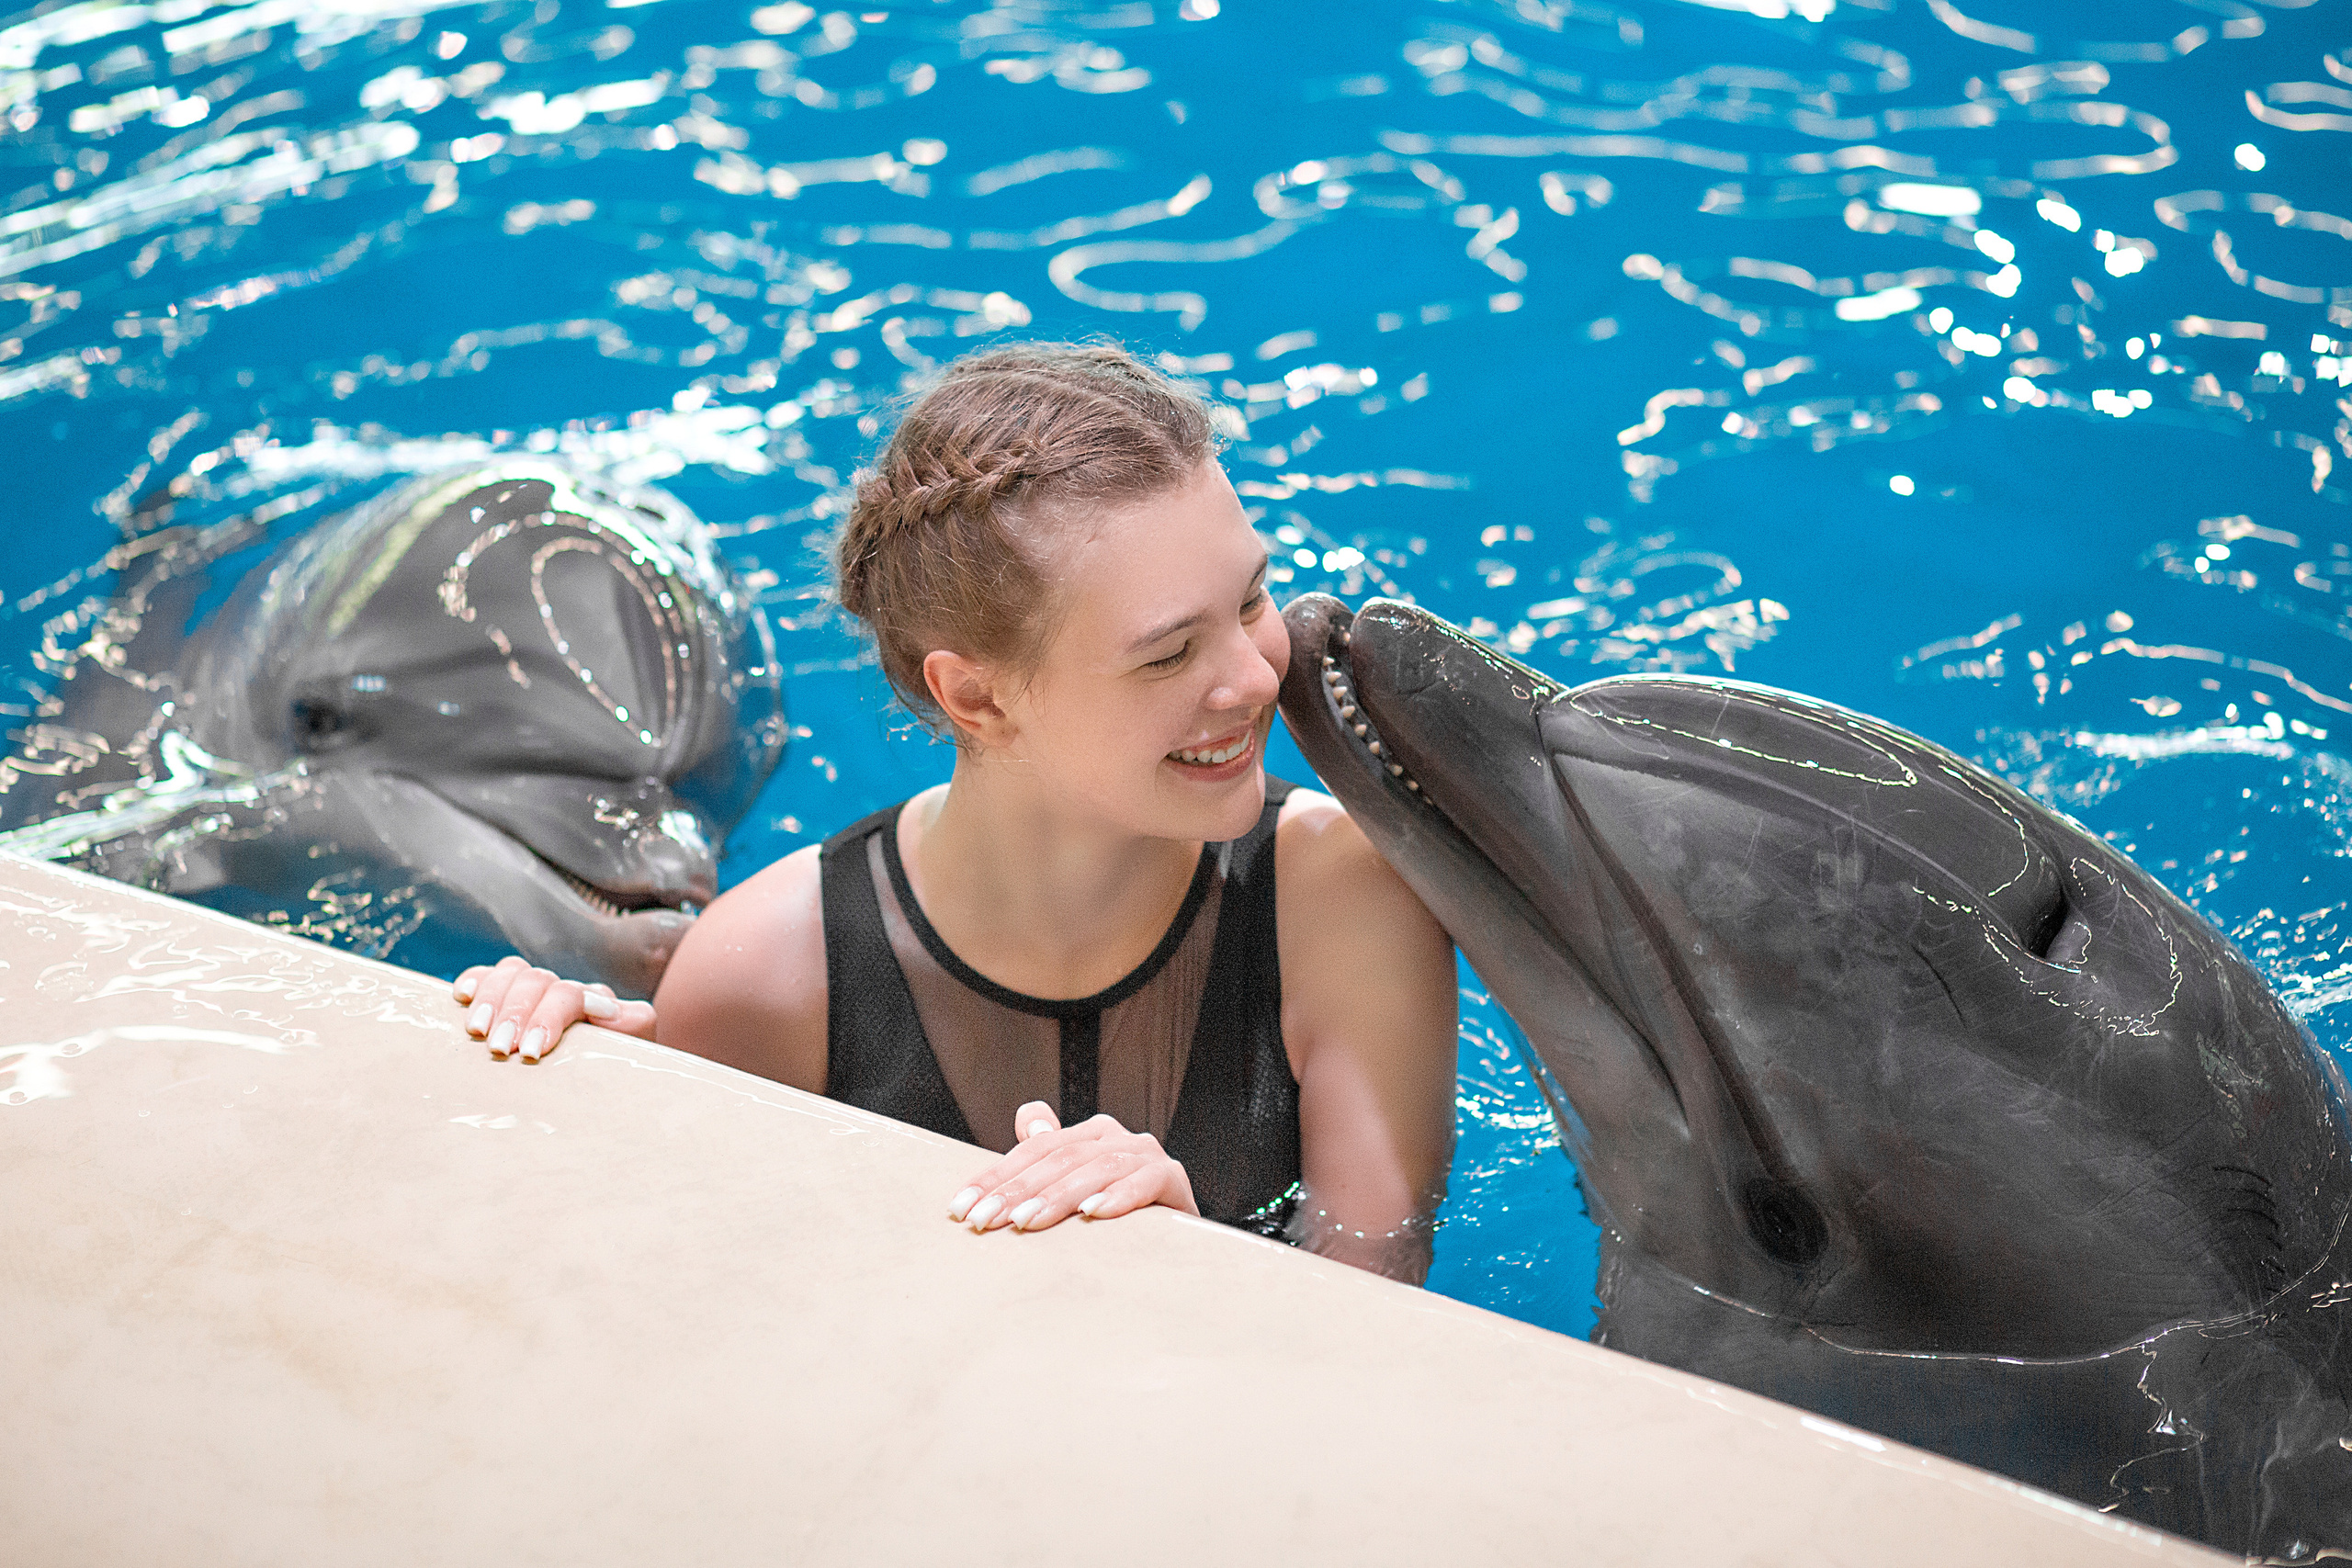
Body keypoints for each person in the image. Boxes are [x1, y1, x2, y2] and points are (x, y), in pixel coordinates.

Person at [453, 342, 1459, 1280]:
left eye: (1249, 600)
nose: (1253, 677)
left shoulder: (1342, 899)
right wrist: (561, 1103)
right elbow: (711, 1322)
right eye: (1166, 653)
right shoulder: (771, 972)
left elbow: (1382, 1305)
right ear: (975, 698)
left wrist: (1187, 1259)